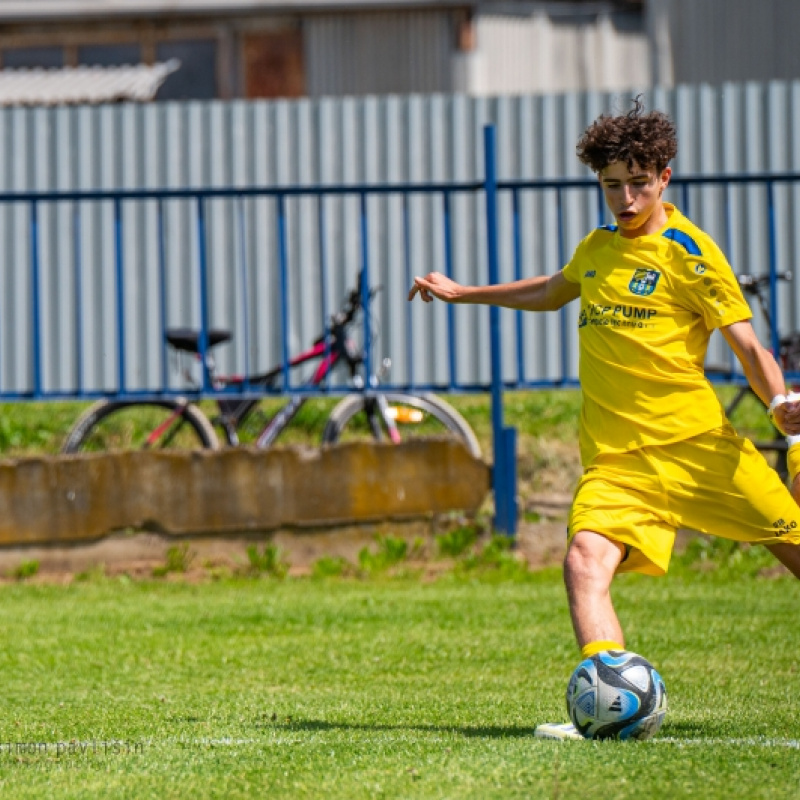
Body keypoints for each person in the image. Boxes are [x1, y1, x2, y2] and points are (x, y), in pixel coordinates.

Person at [407, 99, 800, 740]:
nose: (624, 197)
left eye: (637, 182)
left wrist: (782, 406)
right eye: (611, 184)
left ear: (664, 176)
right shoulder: (597, 249)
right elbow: (551, 289)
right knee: (584, 560)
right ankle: (613, 709)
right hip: (617, 462)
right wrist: (463, 292)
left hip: (697, 448)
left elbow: (748, 347)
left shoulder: (690, 253)